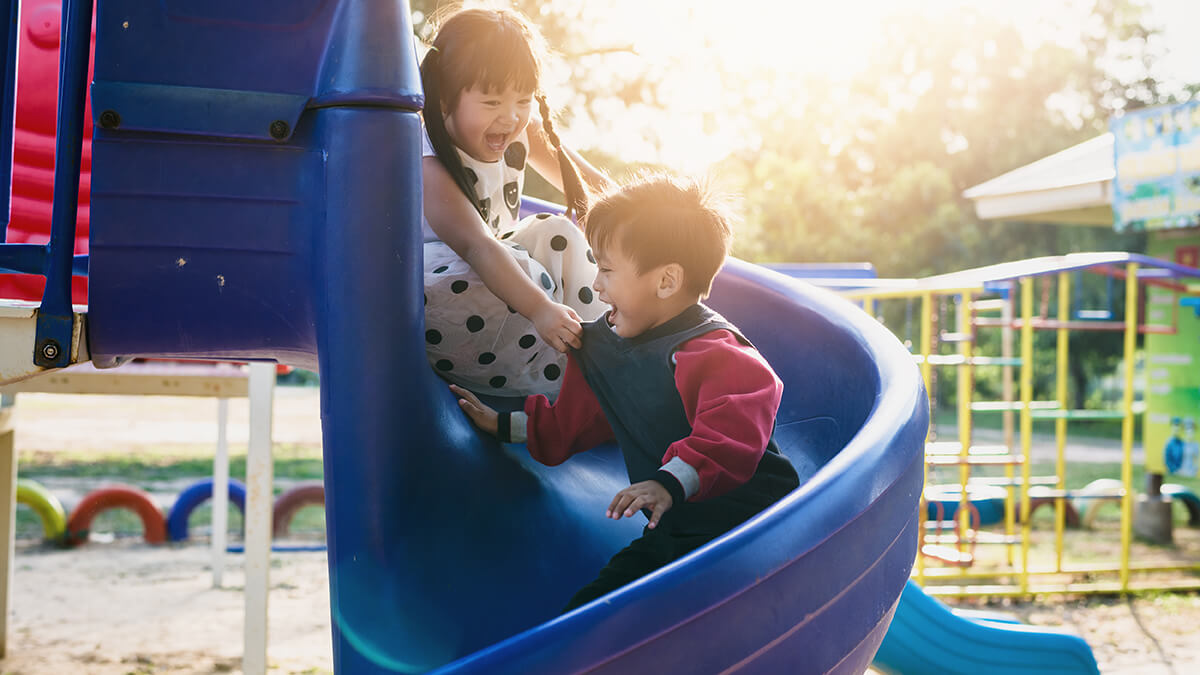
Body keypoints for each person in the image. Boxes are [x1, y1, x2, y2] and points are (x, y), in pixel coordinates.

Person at [451, 174, 801, 612]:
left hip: (762, 524)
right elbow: (576, 420)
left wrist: (667, 482)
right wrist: (503, 424)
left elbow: (731, 433)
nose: (597, 285)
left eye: (607, 269)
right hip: (678, 527)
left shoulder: (715, 352)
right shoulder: (606, 348)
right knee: (595, 610)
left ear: (667, 281)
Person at [419, 6, 612, 397]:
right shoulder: (428, 161)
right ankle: (559, 385)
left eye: (523, 100)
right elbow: (477, 245)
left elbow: (592, 189)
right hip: (437, 303)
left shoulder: (523, 131)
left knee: (555, 231)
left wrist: (653, 219)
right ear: (443, 99)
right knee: (523, 265)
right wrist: (542, 308)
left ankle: (612, 354)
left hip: (501, 294)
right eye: (491, 102)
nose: (510, 117)